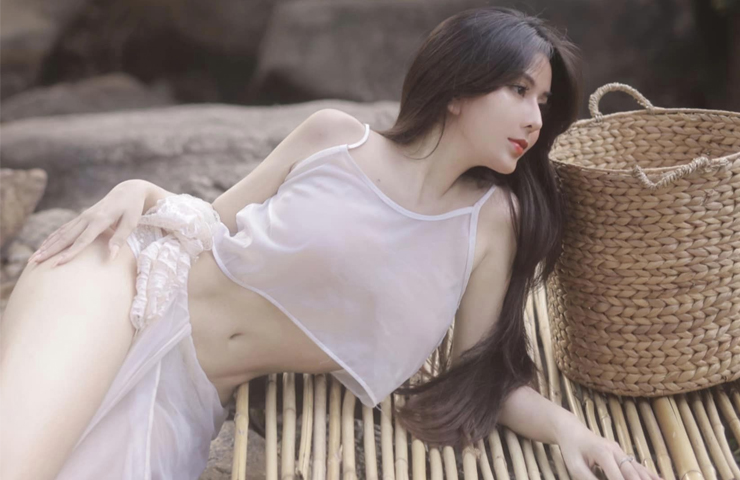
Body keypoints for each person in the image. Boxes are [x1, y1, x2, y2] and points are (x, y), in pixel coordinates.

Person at [0, 7, 663, 480]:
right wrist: (138, 189)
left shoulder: (490, 223)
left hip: (186, 389)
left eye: (543, 102)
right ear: (460, 88)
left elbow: (483, 371)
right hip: (123, 285)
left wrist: (569, 430)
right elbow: (212, 219)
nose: (534, 118)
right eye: (519, 90)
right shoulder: (334, 137)